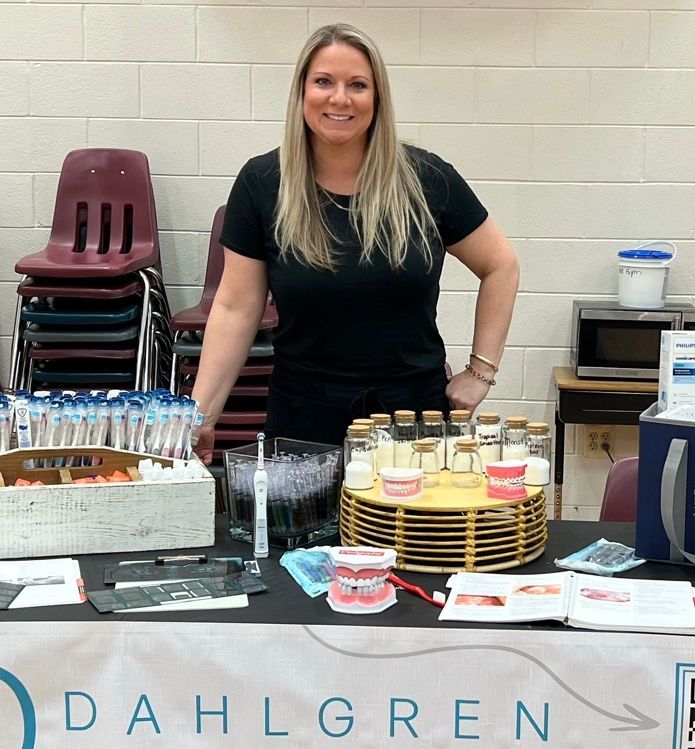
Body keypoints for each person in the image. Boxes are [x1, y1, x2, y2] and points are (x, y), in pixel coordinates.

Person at [191, 22, 519, 460]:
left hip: (413, 424)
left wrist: (481, 371)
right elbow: (235, 307)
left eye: (357, 85)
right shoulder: (262, 183)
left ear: (377, 98)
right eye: (324, 81)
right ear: (302, 92)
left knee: (411, 533)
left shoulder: (426, 179)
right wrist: (201, 418)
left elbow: (501, 265)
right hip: (303, 423)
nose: (339, 98)